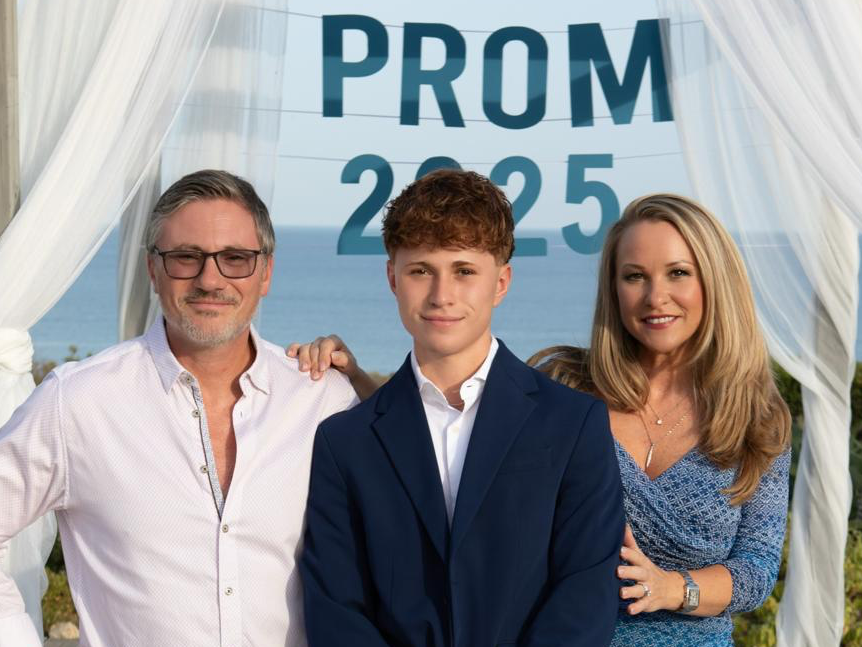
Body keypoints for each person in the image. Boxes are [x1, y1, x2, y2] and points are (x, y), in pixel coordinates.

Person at [291, 193, 791, 647]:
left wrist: (671, 588)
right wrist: (352, 379)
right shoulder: (568, 383)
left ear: (714, 280)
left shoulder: (757, 417)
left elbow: (758, 566)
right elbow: (454, 430)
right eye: (634, 275)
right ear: (613, 286)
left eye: (678, 273)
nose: (655, 296)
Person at [0, 169, 357, 647]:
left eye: (235, 258)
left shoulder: (323, 398)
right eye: (186, 257)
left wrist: (360, 379)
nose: (211, 279)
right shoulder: (78, 401)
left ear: (266, 273)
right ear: (153, 269)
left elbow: (412, 503)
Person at [297, 169, 625, 647]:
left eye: (464, 270)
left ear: (501, 282)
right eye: (420, 270)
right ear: (393, 277)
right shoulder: (343, 441)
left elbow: (586, 592)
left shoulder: (574, 423)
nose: (441, 295)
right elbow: (336, 608)